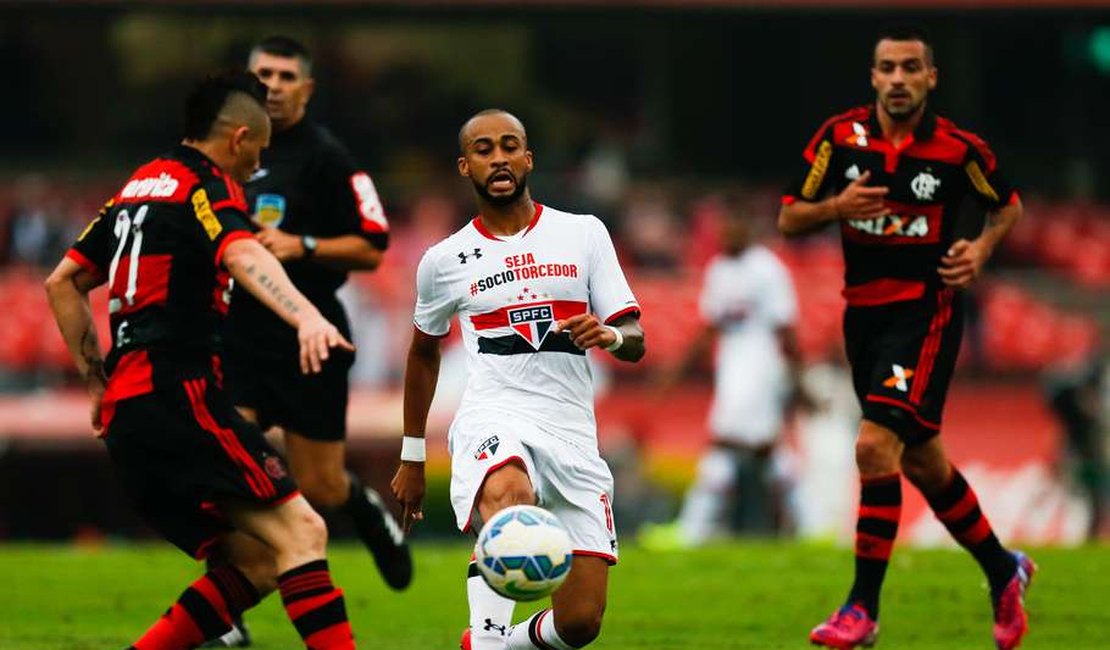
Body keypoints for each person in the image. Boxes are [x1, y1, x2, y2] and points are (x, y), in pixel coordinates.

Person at [44, 71, 358, 649]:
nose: (255, 169)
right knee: (304, 531)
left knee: (259, 559)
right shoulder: (204, 186)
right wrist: (307, 316)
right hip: (180, 392)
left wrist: (96, 384)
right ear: (238, 139)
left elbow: (64, 282)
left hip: (130, 413)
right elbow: (241, 253)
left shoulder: (137, 186)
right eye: (257, 154)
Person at [778, 25, 1033, 650]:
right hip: (860, 316)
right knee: (921, 458)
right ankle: (1004, 570)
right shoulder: (839, 138)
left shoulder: (958, 149)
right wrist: (838, 208)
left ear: (930, 78)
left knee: (873, 448)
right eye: (887, 68)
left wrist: (980, 249)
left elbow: (1007, 205)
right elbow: (789, 216)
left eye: (910, 68)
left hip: (926, 312)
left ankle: (862, 610)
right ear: (873, 77)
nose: (897, 79)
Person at [391, 109, 645, 650]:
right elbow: (422, 352)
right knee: (509, 495)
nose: (498, 157)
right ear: (466, 166)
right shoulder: (444, 260)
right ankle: (486, 644)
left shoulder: (583, 233)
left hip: (572, 433)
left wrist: (611, 336)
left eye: (510, 146)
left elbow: (635, 336)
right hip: (495, 415)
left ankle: (498, 642)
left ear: (528, 159)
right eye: (484, 150)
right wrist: (413, 453)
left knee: (580, 625)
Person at [217, 35, 409, 634]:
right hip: (234, 339)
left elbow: (373, 247)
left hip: (309, 339)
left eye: (283, 75)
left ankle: (362, 507)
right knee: (231, 477)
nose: (271, 84)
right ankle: (227, 615)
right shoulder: (223, 149)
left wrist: (301, 245)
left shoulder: (329, 158)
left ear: (307, 88)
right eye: (261, 73)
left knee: (319, 485)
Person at [644, 210, 808, 545]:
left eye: (733, 227)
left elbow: (785, 327)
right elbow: (711, 326)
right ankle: (812, 523)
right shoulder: (720, 269)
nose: (726, 235)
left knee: (725, 443)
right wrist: (678, 369)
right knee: (767, 452)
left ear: (748, 227)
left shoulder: (767, 269)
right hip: (733, 367)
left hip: (761, 366)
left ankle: (691, 532)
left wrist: (798, 377)